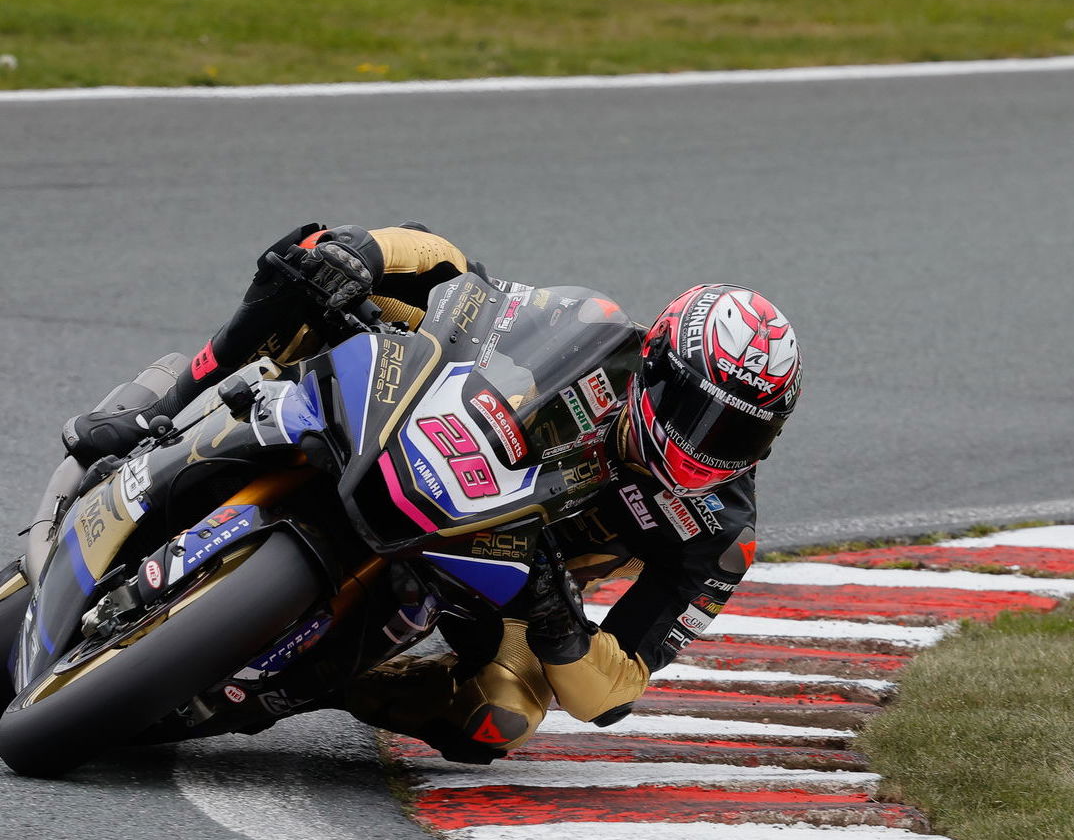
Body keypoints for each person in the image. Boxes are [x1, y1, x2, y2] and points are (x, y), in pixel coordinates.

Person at [61, 223, 802, 763]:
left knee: (501, 714)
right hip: (426, 447)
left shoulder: (716, 533)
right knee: (316, 259)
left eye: (738, 434)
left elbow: (609, 693)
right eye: (699, 415)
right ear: (658, 367)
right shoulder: (593, 331)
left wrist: (556, 622)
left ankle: (330, 683)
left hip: (508, 581)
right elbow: (463, 280)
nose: (708, 446)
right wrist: (368, 254)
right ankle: (156, 413)